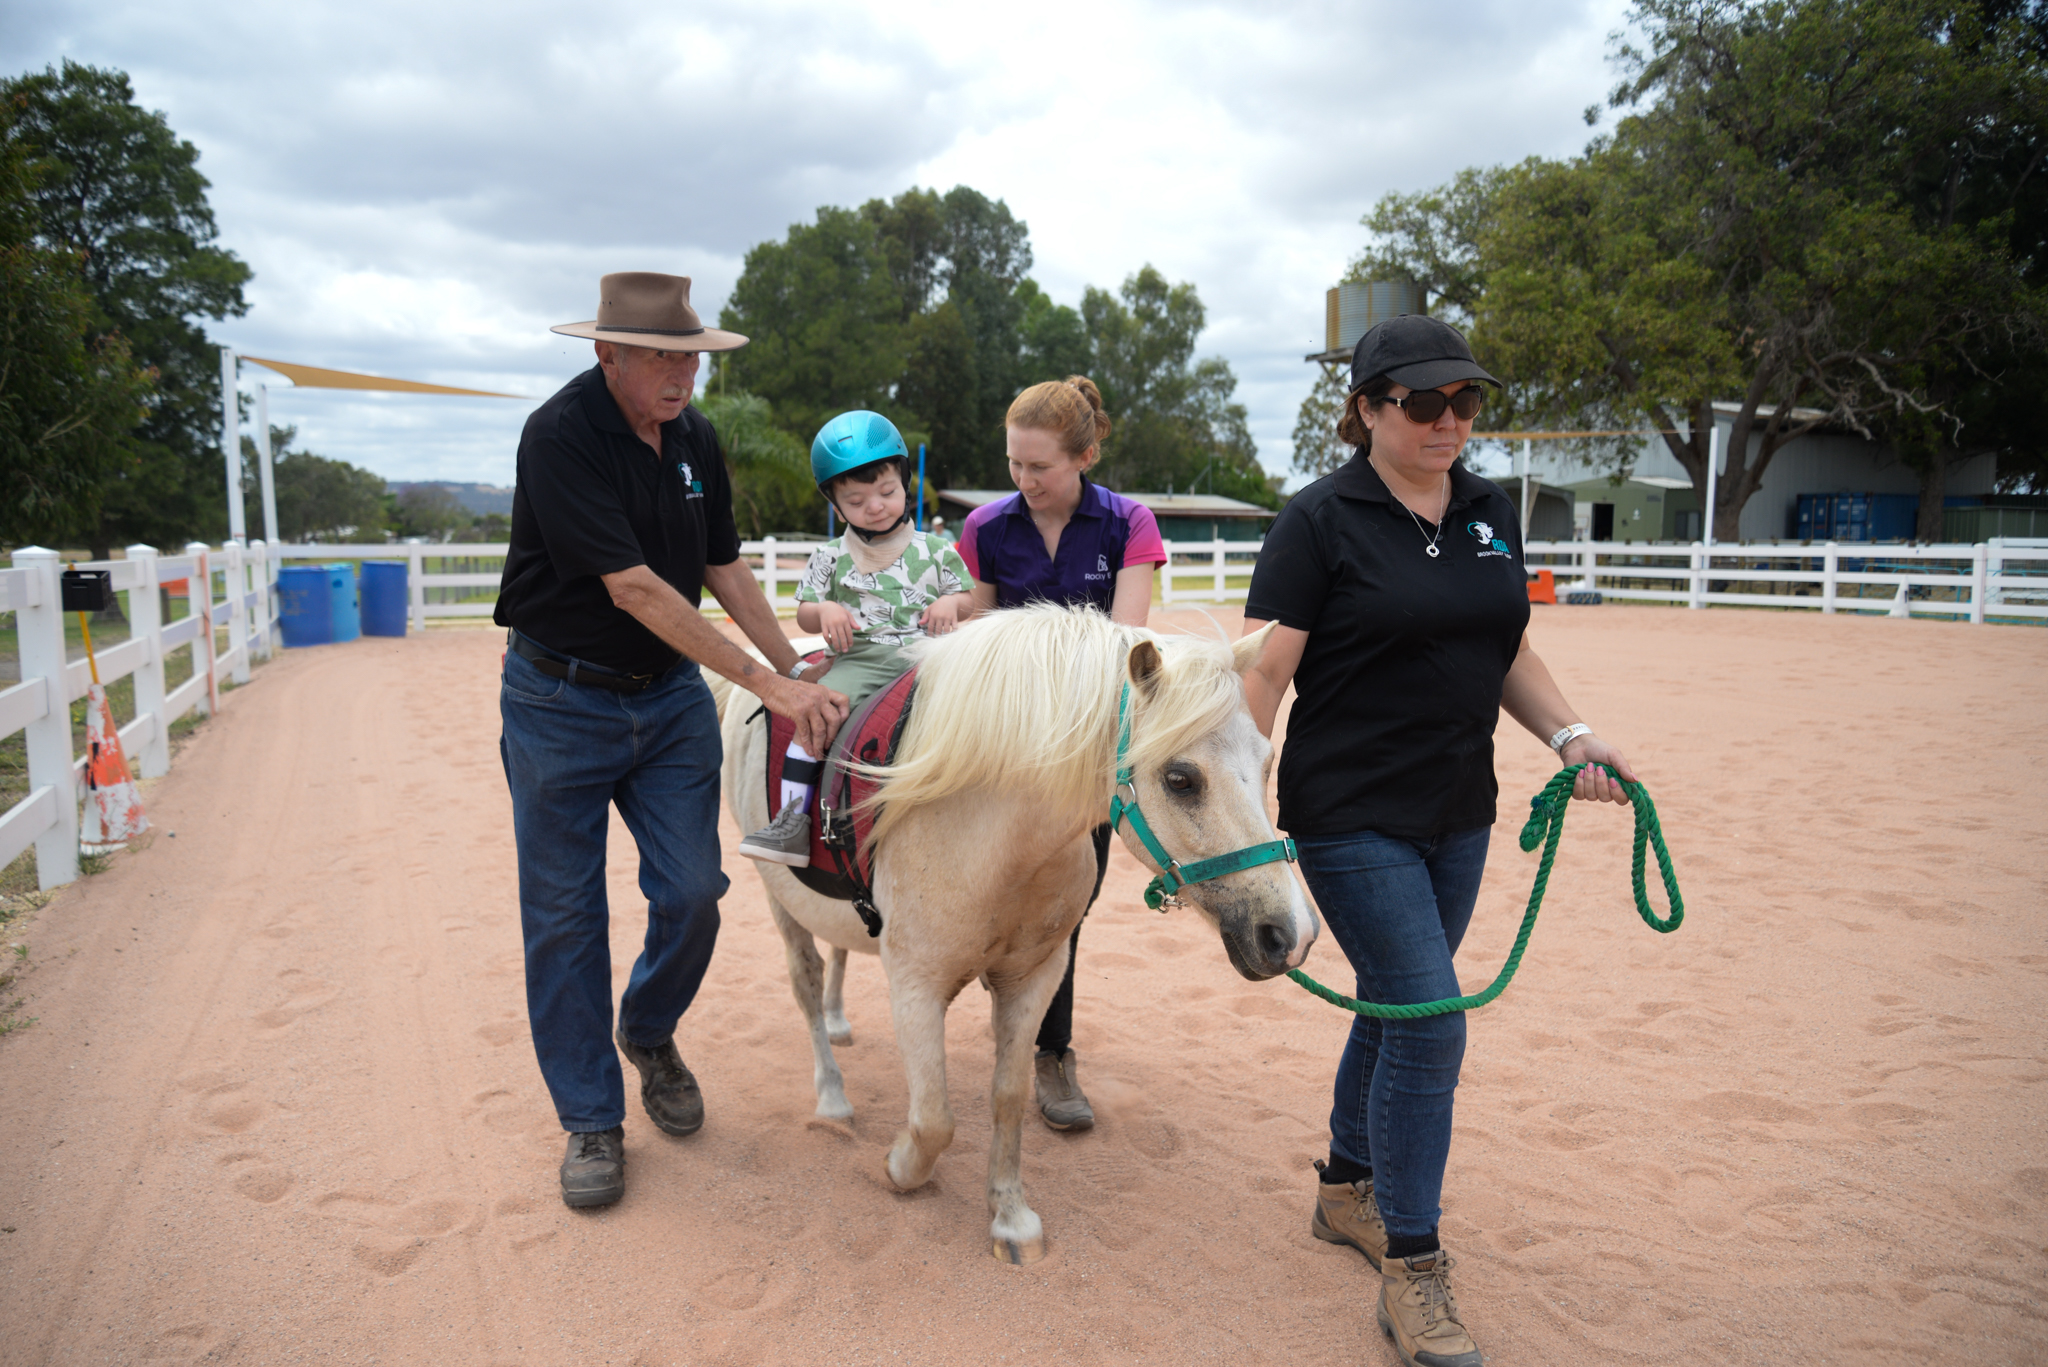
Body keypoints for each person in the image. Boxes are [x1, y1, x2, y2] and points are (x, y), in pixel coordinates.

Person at [1240, 314, 1639, 1367]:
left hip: (1460, 807)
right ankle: (1412, 1267)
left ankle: (1343, 1185)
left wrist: (1569, 734)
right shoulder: (1316, 520)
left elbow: (1500, 640)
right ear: (1366, 408)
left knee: (1396, 1000)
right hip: (1345, 811)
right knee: (1430, 1020)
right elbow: (1264, 676)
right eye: (1422, 402)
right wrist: (1237, 826)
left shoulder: (1485, 507)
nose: (1448, 421)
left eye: (1464, 401)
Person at [496, 272, 848, 1210]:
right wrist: (761, 684)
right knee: (566, 917)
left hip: (666, 702)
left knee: (694, 891)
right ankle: (590, 1120)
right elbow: (640, 589)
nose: (683, 371)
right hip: (558, 702)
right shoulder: (561, 435)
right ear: (605, 353)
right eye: (661, 354)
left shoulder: (694, 437)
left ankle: (647, 1028)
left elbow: (718, 563)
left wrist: (794, 662)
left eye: (691, 355)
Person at [955, 376, 1165, 1130]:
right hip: (999, 745)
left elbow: (1124, 645)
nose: (1023, 480)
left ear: (1085, 455)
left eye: (1039, 466)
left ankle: (1050, 1051)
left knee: (1066, 909)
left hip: (1081, 754)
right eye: (1014, 463)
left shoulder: (1129, 524)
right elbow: (973, 636)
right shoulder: (984, 526)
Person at [738, 410, 973, 864]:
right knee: (814, 721)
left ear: (903, 483)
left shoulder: (936, 548)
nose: (876, 506)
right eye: (857, 499)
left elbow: (967, 598)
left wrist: (950, 604)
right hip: (858, 660)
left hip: (929, 657)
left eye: (886, 492)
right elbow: (805, 612)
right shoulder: (830, 556)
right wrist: (824, 609)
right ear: (835, 505)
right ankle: (791, 820)